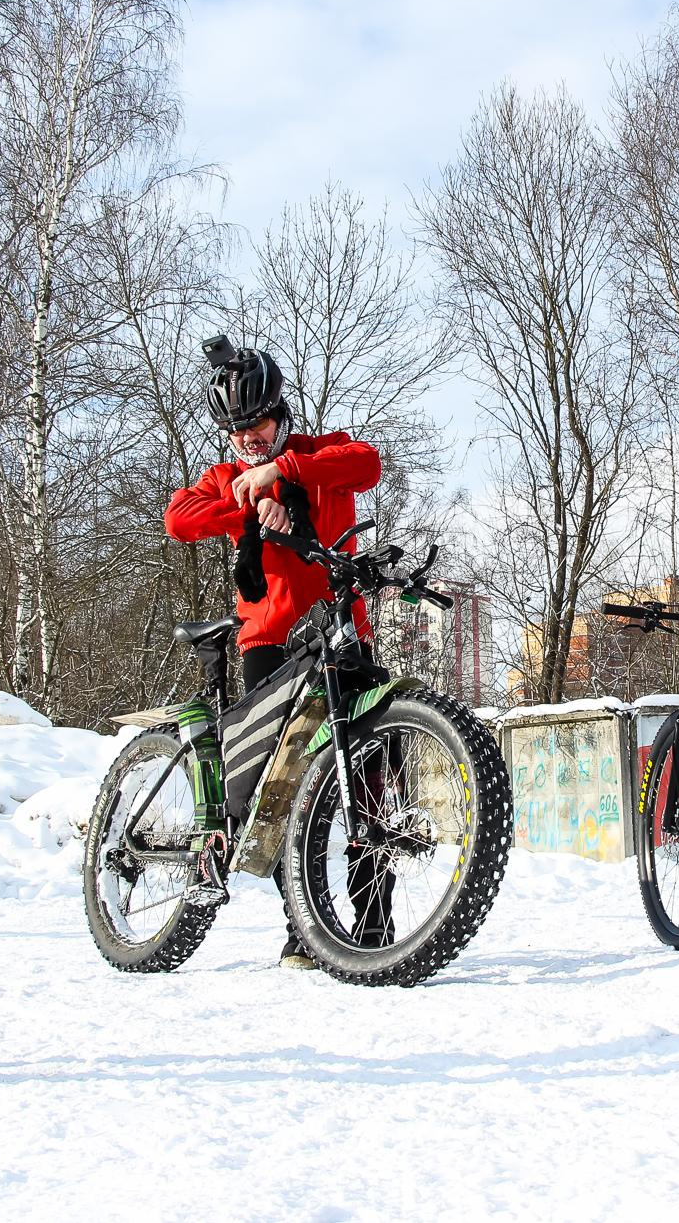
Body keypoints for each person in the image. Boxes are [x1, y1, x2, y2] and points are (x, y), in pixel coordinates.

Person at [165, 336, 385, 967]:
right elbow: (180, 519)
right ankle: (303, 932)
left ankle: (374, 925)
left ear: (280, 413)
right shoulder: (226, 478)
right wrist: (245, 498)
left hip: (342, 634)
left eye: (258, 422)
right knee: (285, 789)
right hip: (269, 640)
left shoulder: (317, 455)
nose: (249, 438)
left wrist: (282, 474)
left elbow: (366, 463)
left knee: (370, 778)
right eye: (236, 430)